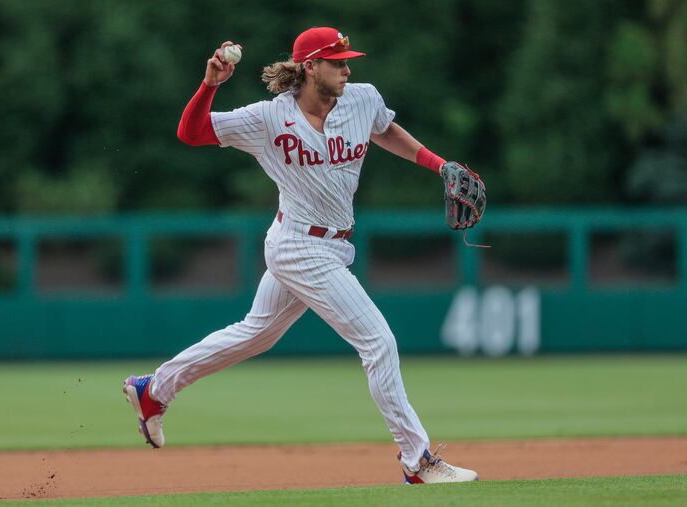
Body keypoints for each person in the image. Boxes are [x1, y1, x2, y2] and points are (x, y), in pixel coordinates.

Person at [123, 27, 479, 484]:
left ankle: (154, 390)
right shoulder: (268, 118)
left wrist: (439, 164)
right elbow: (191, 133)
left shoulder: (361, 98)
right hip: (298, 245)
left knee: (257, 334)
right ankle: (418, 460)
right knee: (378, 343)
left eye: (348, 61)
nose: (347, 69)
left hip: (332, 243)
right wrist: (210, 84)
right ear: (311, 67)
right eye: (337, 62)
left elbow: (384, 131)